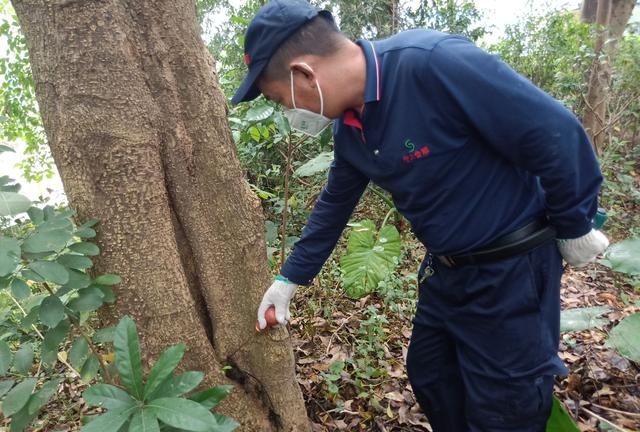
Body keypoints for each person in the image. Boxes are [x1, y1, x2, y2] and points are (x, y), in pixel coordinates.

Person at [232, 1, 609, 430]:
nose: (290, 113)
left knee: (505, 407)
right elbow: (334, 204)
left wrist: (574, 222)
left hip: (511, 273)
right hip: (445, 273)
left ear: (304, 74)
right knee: (432, 374)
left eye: (282, 99)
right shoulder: (353, 128)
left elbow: (555, 131)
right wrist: (289, 281)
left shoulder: (432, 63)